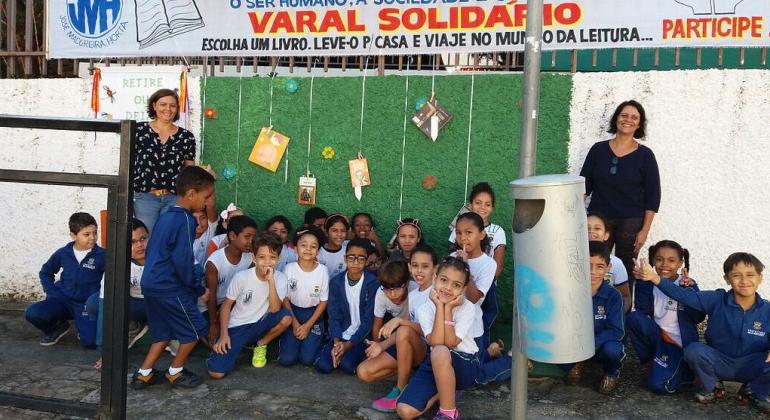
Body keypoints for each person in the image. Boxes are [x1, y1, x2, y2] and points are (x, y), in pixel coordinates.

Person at [635, 252, 770, 413]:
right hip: (719, 361)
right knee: (694, 350)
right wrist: (654, 278)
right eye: (736, 275)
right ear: (727, 278)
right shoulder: (717, 299)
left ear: (760, 278)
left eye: (750, 275)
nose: (744, 281)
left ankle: (756, 391)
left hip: (750, 364)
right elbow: (683, 295)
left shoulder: (767, 309)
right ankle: (711, 386)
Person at [131, 166, 215, 389]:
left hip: (150, 283)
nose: (206, 203)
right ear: (191, 194)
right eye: (205, 197)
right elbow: (183, 261)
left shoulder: (166, 216)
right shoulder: (186, 220)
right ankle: (175, 372)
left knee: (163, 332)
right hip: (169, 286)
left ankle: (144, 373)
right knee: (195, 329)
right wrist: (198, 289)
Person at [579, 100, 661, 295]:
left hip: (631, 222)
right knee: (593, 265)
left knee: (626, 270)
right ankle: (591, 311)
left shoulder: (645, 156)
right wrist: (575, 220)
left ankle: (621, 316)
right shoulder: (598, 150)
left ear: (639, 125)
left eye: (634, 117)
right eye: (624, 115)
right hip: (598, 220)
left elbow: (653, 196)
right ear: (616, 119)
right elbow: (583, 187)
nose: (628, 120)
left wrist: (644, 231)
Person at [396, 257, 480, 420]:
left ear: (463, 289)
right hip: (437, 363)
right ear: (435, 278)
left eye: (456, 285)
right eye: (443, 280)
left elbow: (448, 343)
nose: (448, 288)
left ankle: (448, 412)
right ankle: (447, 390)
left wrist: (447, 307)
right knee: (404, 411)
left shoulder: (467, 308)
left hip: (466, 364)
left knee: (440, 351)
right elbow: (434, 341)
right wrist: (439, 306)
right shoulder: (425, 309)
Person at [207, 232, 292, 378]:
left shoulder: (280, 278)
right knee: (216, 373)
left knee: (286, 317)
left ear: (278, 259)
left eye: (272, 257)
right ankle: (230, 350)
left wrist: (271, 281)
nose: (267, 262)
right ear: (254, 258)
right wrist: (224, 335)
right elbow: (226, 306)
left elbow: (275, 308)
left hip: (261, 324)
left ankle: (260, 344)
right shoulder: (242, 277)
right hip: (238, 327)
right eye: (262, 257)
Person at [627, 240, 705, 394]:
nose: (664, 264)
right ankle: (651, 361)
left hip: (677, 344)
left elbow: (699, 317)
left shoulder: (686, 284)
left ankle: (686, 372)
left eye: (671, 260)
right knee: (634, 317)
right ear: (653, 261)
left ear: (680, 263)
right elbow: (642, 311)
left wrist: (690, 290)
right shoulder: (650, 283)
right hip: (658, 338)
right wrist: (642, 282)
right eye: (659, 259)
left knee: (659, 386)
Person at [358, 259, 429, 413]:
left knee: (404, 330)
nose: (392, 294)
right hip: (400, 342)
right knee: (363, 372)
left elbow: (423, 330)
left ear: (407, 283)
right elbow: (377, 323)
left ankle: (400, 389)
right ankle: (407, 371)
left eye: (397, 288)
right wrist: (377, 346)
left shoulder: (416, 291)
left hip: (422, 346)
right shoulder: (381, 293)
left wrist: (385, 342)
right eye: (387, 289)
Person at [25, 212, 104, 348]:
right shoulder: (63, 253)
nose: (92, 238)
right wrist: (51, 291)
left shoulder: (103, 255)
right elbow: (46, 272)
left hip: (85, 304)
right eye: (86, 234)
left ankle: (84, 327)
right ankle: (57, 327)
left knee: (90, 342)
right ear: (73, 235)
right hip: (62, 299)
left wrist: (96, 301)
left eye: (95, 233)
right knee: (33, 313)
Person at [562, 241, 625, 395]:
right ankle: (576, 364)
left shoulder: (614, 296)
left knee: (613, 350)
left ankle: (611, 373)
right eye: (588, 265)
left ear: (608, 268)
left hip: (601, 345)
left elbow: (618, 331)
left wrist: (591, 344)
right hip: (576, 343)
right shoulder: (569, 291)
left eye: (600, 266)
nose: (592, 271)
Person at [88, 219, 152, 370]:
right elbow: (106, 307)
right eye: (132, 242)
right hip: (135, 304)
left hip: (159, 305)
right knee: (94, 302)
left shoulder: (160, 257)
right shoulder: (117, 266)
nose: (139, 245)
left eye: (143, 239)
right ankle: (132, 326)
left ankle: (165, 332)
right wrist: (106, 352)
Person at [132, 88, 197, 234]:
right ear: (154, 106)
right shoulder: (139, 130)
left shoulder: (186, 137)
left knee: (168, 240)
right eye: (163, 104)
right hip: (144, 198)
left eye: (172, 105)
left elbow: (189, 172)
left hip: (173, 198)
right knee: (146, 239)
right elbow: (128, 162)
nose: (168, 109)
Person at [315, 238, 379, 375]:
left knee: (347, 365)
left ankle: (357, 354)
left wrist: (348, 345)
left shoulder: (372, 283)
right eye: (351, 257)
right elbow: (334, 315)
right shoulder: (336, 283)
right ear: (345, 258)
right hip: (341, 333)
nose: (355, 262)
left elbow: (369, 319)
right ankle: (332, 348)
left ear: (367, 260)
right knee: (323, 366)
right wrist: (337, 343)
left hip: (361, 337)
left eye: (361, 258)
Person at [278, 226, 329, 367]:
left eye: (313, 246)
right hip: (292, 313)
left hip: (313, 316)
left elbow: (323, 302)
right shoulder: (289, 268)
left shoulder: (323, 271)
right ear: (295, 248)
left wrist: (307, 326)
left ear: (318, 251)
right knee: (286, 360)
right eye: (303, 245)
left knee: (307, 360)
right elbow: (285, 298)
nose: (308, 249)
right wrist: (294, 323)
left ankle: (319, 340)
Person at [203, 215, 257, 347]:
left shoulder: (250, 258)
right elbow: (211, 296)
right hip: (210, 307)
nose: (251, 241)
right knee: (213, 342)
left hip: (232, 305)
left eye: (253, 237)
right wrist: (214, 323)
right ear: (232, 236)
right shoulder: (215, 262)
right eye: (247, 236)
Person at [448, 182, 506, 278]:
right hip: (458, 284)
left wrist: (484, 286)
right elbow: (451, 259)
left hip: (486, 287)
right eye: (478, 203)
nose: (482, 207)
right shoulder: (458, 228)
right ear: (470, 205)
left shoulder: (498, 231)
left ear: (492, 208)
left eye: (487, 204)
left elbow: (498, 268)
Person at [587, 212, 632, 313]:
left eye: (597, 228)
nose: (591, 232)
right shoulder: (570, 261)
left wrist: (616, 317)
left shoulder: (616, 263)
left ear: (606, 235)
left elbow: (625, 297)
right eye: (586, 228)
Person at [318, 214, 350, 279]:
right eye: (334, 230)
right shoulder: (318, 252)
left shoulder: (348, 252)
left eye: (343, 230)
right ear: (326, 232)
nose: (339, 234)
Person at [192, 193, 218, 266]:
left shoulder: (210, 229)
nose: (198, 223)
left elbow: (211, 205)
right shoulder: (183, 236)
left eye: (203, 218)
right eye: (194, 218)